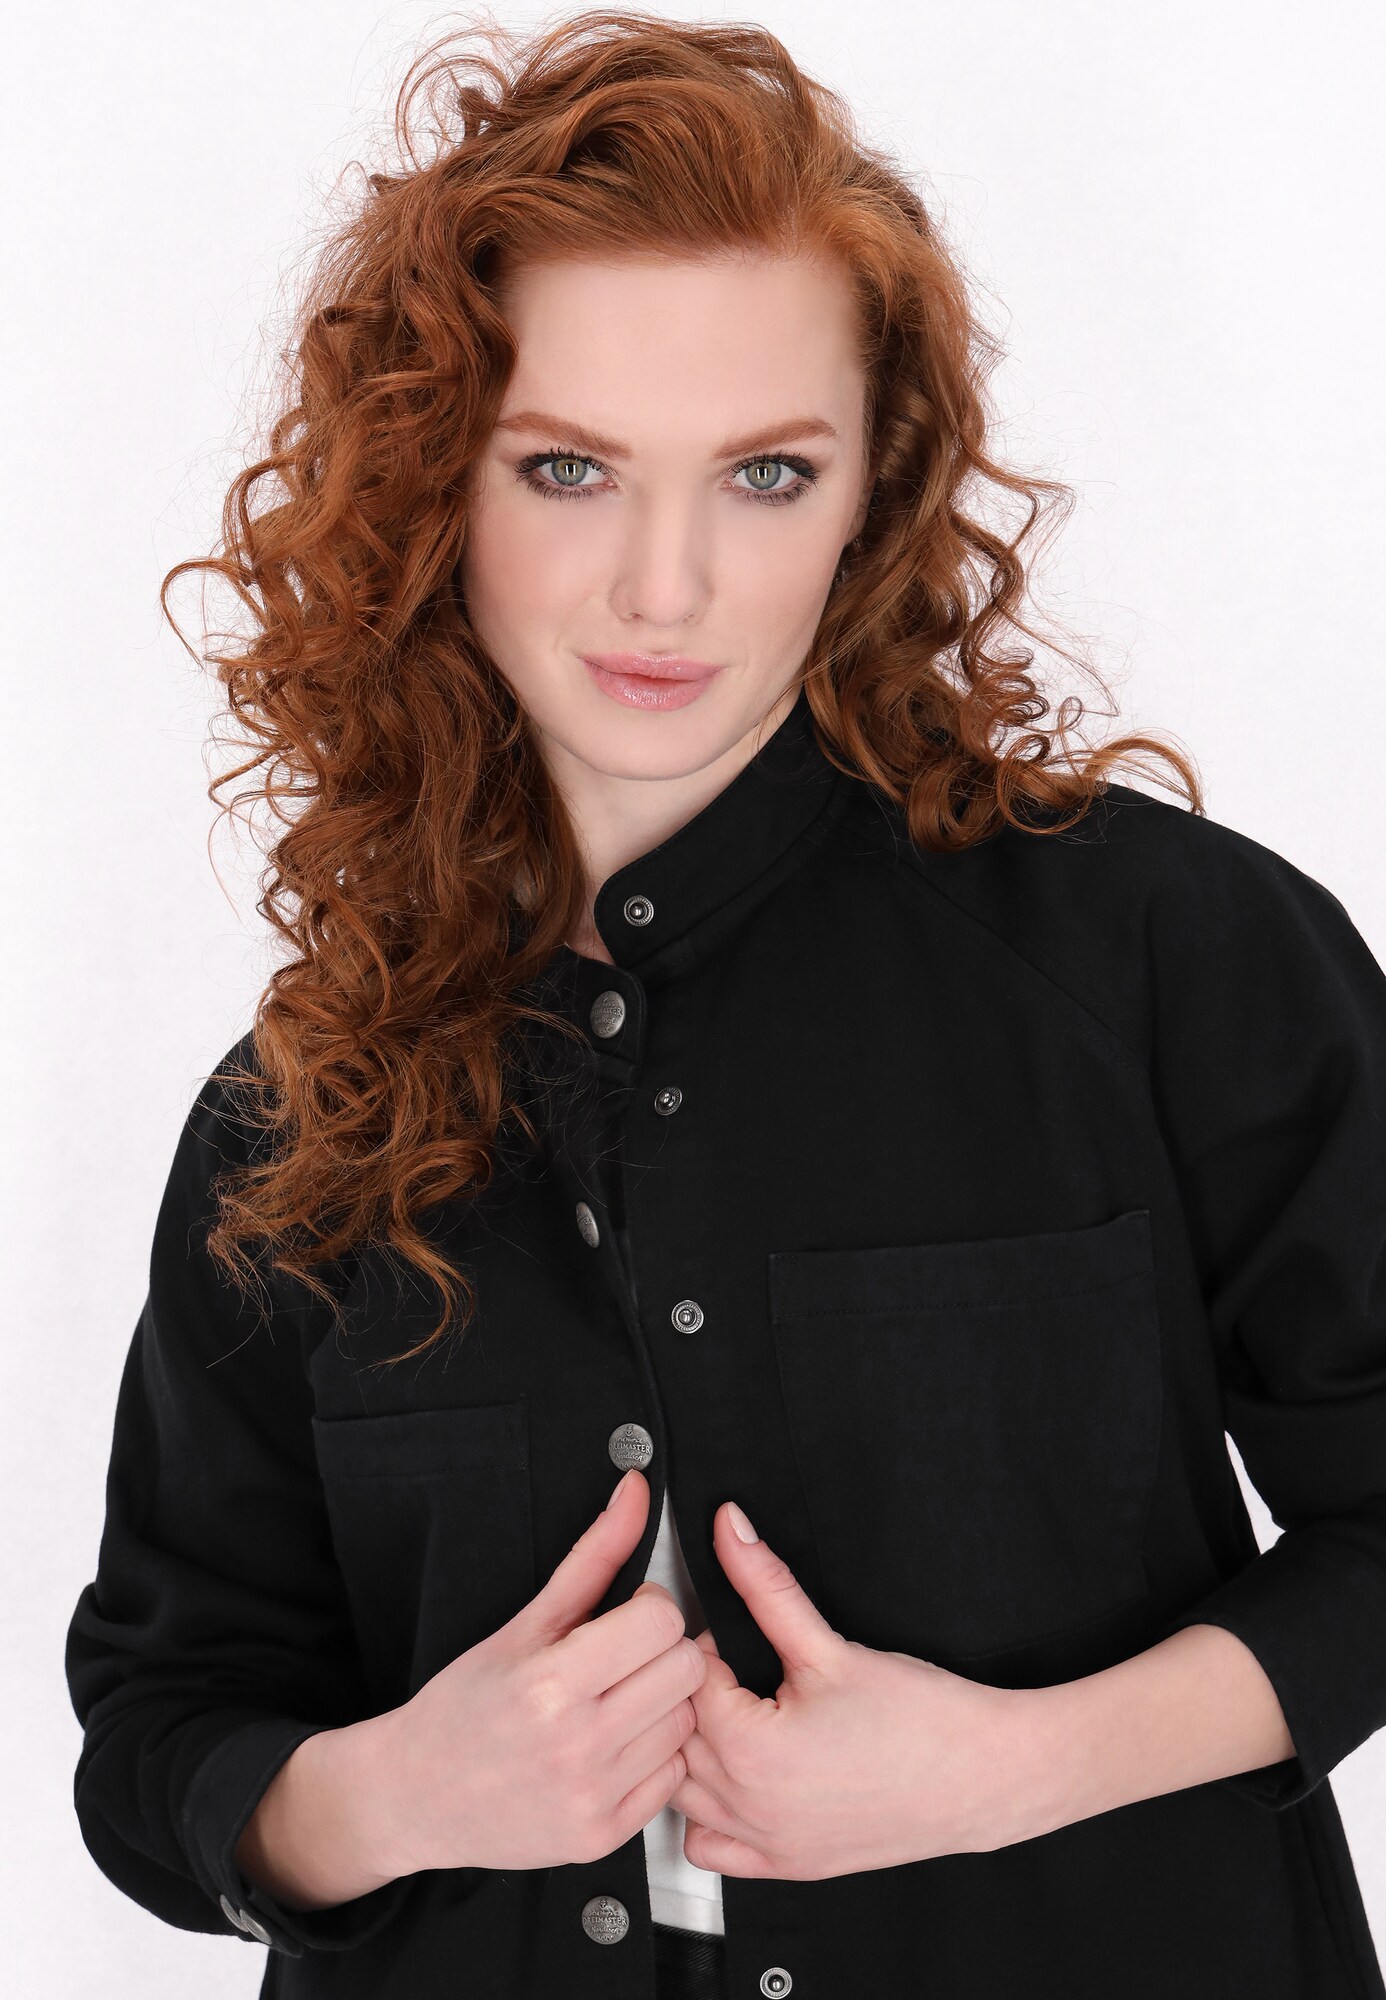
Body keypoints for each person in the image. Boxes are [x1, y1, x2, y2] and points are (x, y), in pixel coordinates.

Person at [65, 12, 1386, 2000]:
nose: (664, 586)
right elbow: (162, 1729)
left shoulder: (1169, 956)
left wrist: (1017, 1768)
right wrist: (396, 1792)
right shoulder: (297, 1106)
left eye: (766, 472)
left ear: (872, 493)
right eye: (568, 469)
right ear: (434, 483)